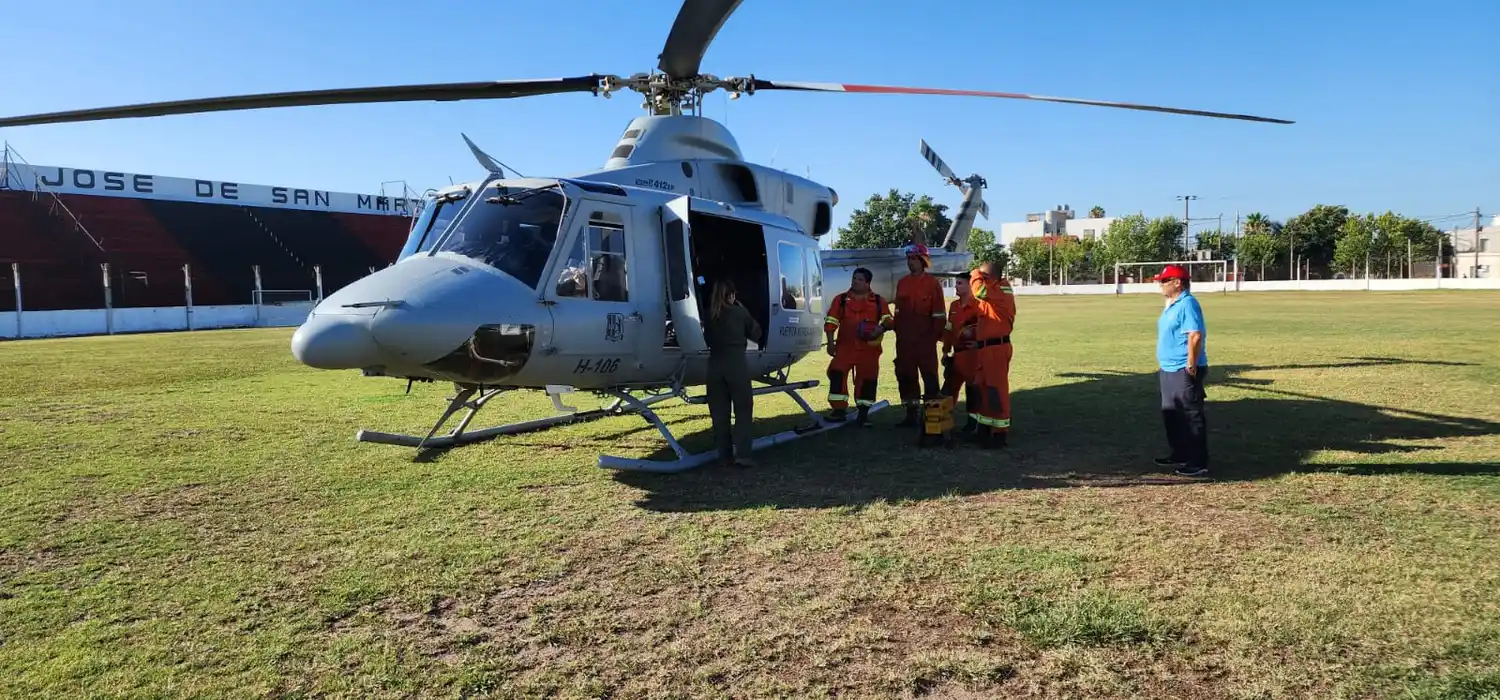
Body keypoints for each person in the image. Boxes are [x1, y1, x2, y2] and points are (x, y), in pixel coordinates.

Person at [1152, 264, 1210, 477]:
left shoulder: (1188, 304)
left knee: (1190, 415)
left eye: (1165, 281)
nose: (1161, 285)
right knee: (1171, 414)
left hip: (1183, 369)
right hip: (1168, 368)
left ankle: (1198, 461)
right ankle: (1180, 453)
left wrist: (1191, 365)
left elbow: (1194, 335)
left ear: (1178, 282)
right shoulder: (1172, 304)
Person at [702, 279, 763, 467]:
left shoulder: (709, 314)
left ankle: (724, 455)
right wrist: (743, 309)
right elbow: (757, 333)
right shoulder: (738, 312)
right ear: (732, 295)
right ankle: (743, 454)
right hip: (735, 364)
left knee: (719, 413)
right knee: (743, 410)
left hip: (714, 366)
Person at [823, 267, 894, 426]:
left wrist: (881, 328)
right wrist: (830, 343)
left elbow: (889, 320)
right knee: (836, 374)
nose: (855, 281)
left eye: (860, 279)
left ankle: (863, 414)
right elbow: (831, 321)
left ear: (868, 283)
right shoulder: (840, 300)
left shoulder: (878, 301)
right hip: (844, 348)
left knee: (867, 380)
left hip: (869, 351)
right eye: (854, 278)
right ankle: (838, 410)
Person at [892, 242, 948, 426]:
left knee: (930, 378)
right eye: (908, 259)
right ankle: (911, 415)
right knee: (905, 377)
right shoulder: (902, 283)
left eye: (914, 259)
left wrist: (933, 338)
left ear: (923, 261)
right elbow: (898, 313)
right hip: (904, 342)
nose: (910, 263)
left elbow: (939, 314)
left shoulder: (932, 284)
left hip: (925, 341)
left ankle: (934, 419)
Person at [967, 261, 1017, 448]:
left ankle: (999, 434)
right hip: (985, 348)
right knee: (982, 389)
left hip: (997, 348)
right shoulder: (992, 294)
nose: (979, 279)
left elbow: (979, 291)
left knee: (997, 390)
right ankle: (984, 429)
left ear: (991, 278)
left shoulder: (1002, 290)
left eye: (983, 276)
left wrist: (974, 274)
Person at [940, 275, 981, 434]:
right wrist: (945, 351)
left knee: (972, 389)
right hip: (956, 356)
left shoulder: (979, 306)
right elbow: (949, 330)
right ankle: (943, 423)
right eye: (956, 283)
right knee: (949, 390)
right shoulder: (954, 306)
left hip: (972, 355)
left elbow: (985, 329)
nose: (956, 286)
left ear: (971, 286)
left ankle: (973, 423)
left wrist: (979, 344)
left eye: (960, 283)